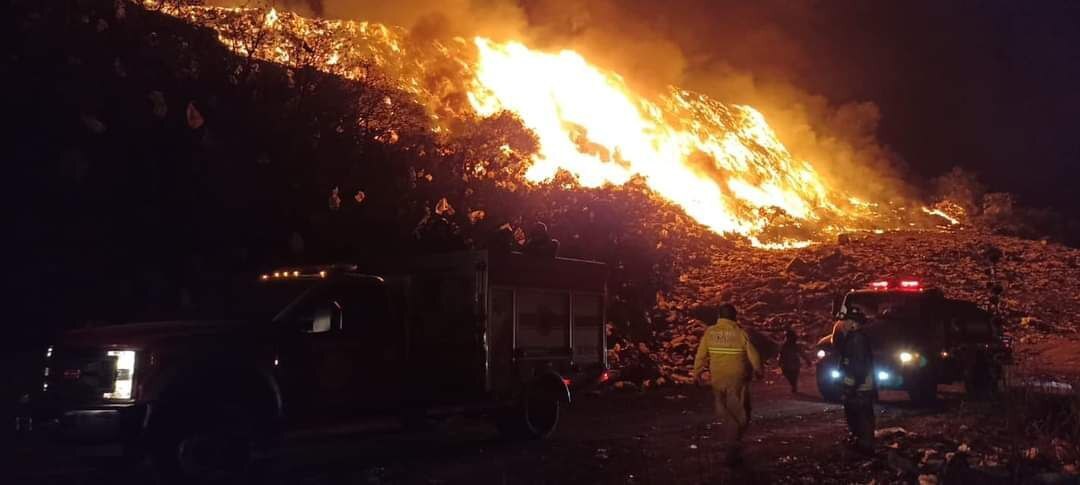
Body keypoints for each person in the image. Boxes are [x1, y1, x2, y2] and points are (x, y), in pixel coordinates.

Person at [692, 303, 762, 465]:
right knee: (740, 413)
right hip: (737, 378)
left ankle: (732, 443)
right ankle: (732, 448)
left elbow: (701, 355)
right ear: (734, 317)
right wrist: (758, 370)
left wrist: (697, 374)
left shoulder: (710, 333)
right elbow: (753, 354)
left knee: (724, 410)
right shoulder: (739, 333)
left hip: (718, 378)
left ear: (719, 317)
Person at [835, 307, 875, 454]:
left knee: (861, 418)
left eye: (846, 321)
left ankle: (865, 447)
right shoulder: (854, 338)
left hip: (860, 388)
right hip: (859, 387)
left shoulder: (857, 340)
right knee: (858, 417)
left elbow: (858, 367)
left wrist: (851, 387)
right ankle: (861, 444)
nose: (843, 324)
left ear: (854, 323)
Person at [779, 329, 811, 394]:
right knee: (790, 376)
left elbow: (802, 353)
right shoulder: (785, 346)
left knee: (793, 376)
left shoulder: (794, 345)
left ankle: (793, 386)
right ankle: (793, 385)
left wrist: (807, 361)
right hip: (788, 364)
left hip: (793, 364)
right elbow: (781, 354)